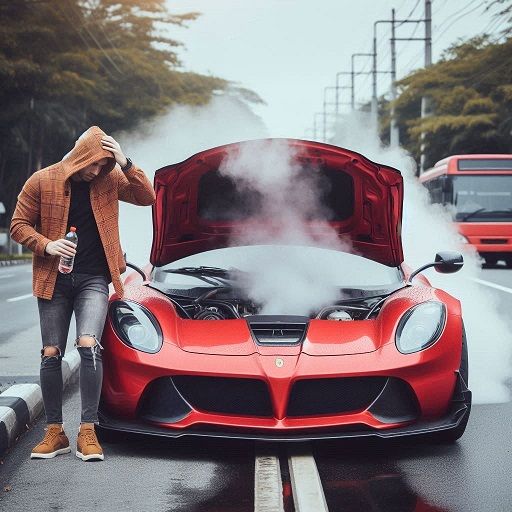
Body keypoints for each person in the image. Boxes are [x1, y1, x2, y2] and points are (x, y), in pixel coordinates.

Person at [10, 126, 156, 461]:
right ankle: (54, 432)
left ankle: (88, 431)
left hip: (94, 278)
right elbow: (19, 224)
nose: (96, 171)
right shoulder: (42, 180)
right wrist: (46, 244)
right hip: (53, 280)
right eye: (94, 164)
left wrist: (125, 162)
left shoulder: (109, 180)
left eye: (104, 165)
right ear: (80, 156)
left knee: (89, 344)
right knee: (51, 352)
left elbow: (147, 196)